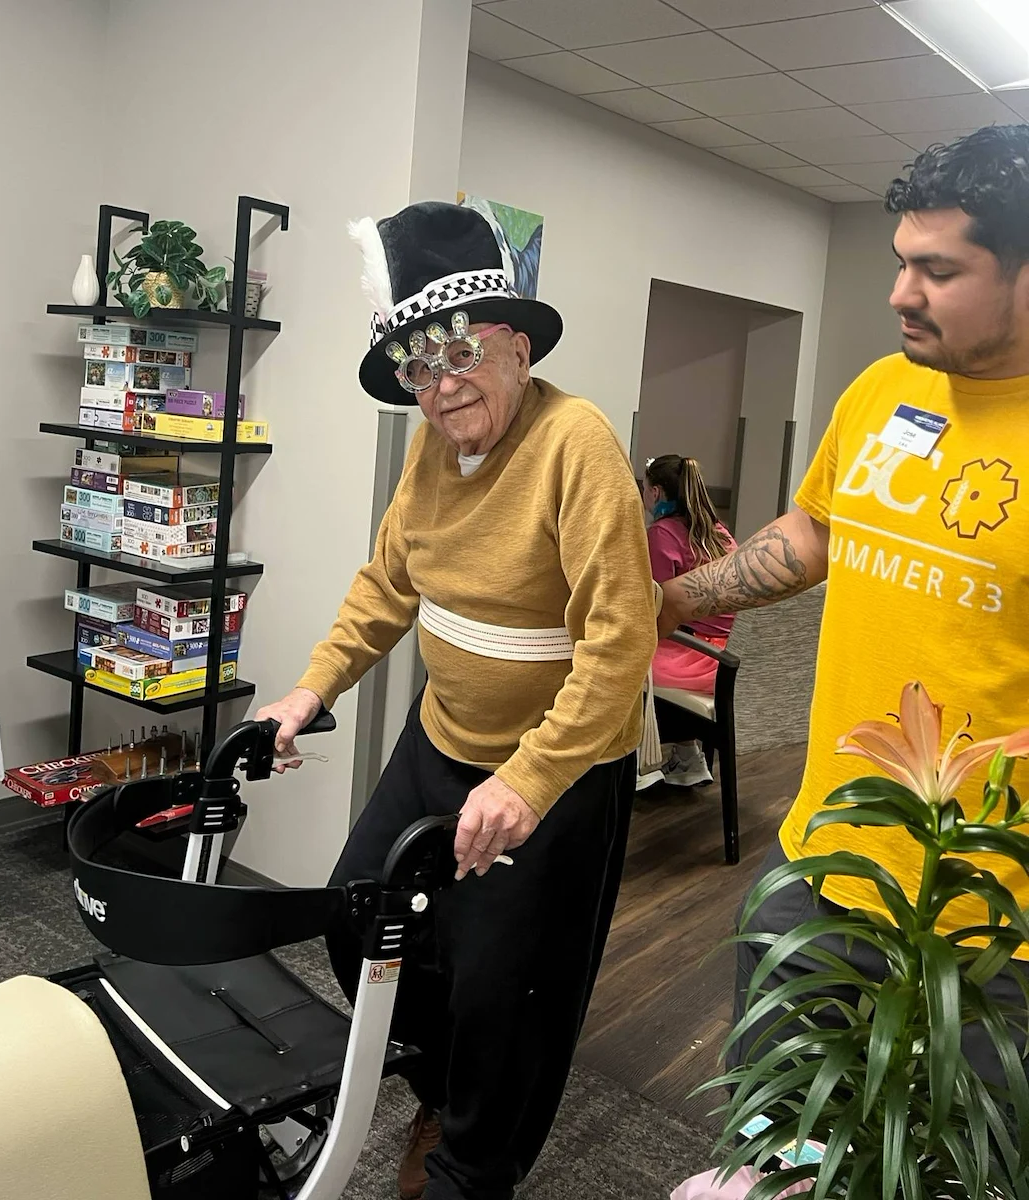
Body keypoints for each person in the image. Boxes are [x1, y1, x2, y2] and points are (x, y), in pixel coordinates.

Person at [257, 201, 656, 1200]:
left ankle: (475, 1168)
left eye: (459, 357)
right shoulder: (433, 451)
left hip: (560, 765)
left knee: (506, 987)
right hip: (443, 737)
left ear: (517, 347)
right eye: (417, 371)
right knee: (360, 916)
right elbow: (389, 585)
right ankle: (437, 1088)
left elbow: (620, 644)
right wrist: (307, 692)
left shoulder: (578, 443)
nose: (441, 388)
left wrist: (529, 779)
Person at [657, 124, 1029, 1079]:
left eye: (937, 271)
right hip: (820, 855)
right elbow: (815, 533)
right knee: (773, 1127)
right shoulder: (882, 388)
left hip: (991, 925)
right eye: (901, 262)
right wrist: (665, 601)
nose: (900, 293)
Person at [642, 454, 738, 787]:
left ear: (655, 493)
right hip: (721, 661)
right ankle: (688, 756)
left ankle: (639, 764)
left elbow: (649, 605)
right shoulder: (721, 534)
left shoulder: (663, 535)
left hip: (688, 659)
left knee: (617, 658)